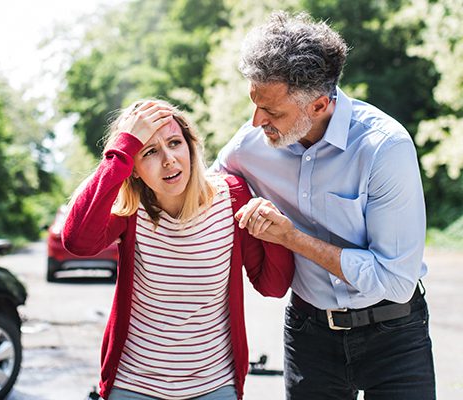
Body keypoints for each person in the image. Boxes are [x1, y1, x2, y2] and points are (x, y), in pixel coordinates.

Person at [211, 10, 436, 400]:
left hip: (395, 333)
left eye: (273, 112)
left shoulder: (384, 148)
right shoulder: (251, 143)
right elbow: (205, 189)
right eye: (255, 103)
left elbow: (396, 281)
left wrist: (292, 239)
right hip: (308, 333)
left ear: (318, 105)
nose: (255, 121)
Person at [63, 99, 294, 400]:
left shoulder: (232, 197)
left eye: (174, 143)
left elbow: (273, 286)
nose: (169, 159)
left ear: (190, 147)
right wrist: (121, 149)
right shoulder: (131, 213)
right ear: (132, 168)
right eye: (149, 152)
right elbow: (77, 241)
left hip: (215, 385)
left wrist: (274, 232)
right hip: (133, 385)